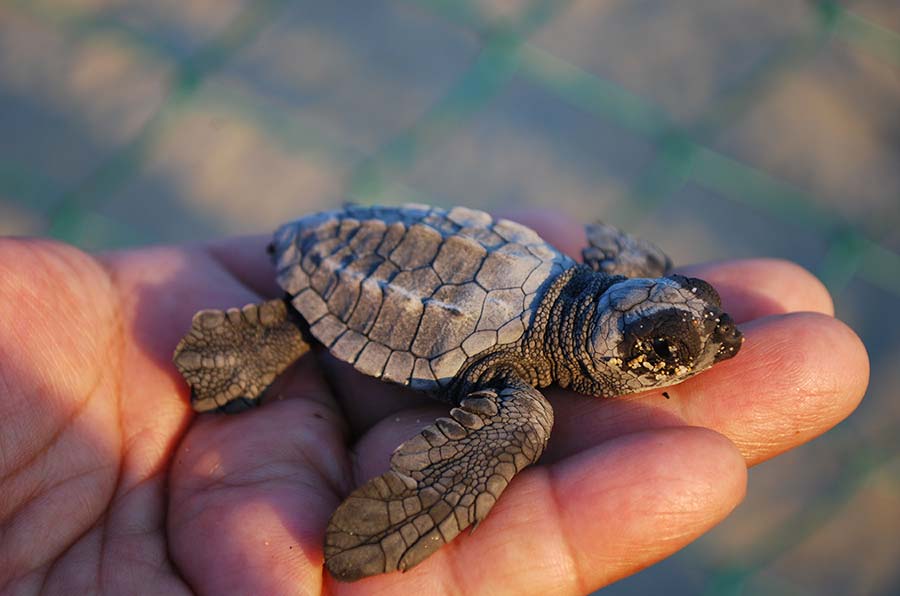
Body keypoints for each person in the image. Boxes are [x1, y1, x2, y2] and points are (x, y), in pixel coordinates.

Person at [0, 212, 868, 595]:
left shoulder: (586, 284)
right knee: (515, 425)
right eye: (677, 347)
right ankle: (274, 331)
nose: (710, 349)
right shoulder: (523, 387)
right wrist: (427, 496)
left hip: (423, 240)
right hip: (339, 280)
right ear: (618, 361)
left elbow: (622, 264)